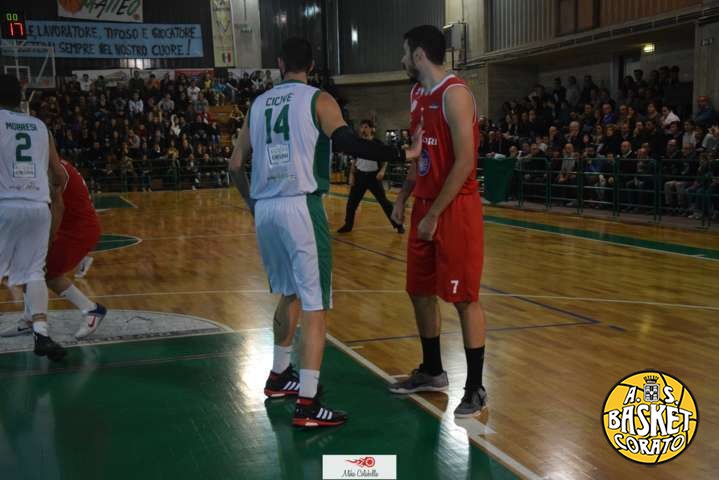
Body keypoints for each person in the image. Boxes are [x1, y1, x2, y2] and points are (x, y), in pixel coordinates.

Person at [229, 38, 420, 428]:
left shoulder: (258, 104)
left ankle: (279, 375)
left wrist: (252, 204)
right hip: (301, 205)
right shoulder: (318, 99)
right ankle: (308, 403)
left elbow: (234, 165)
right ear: (312, 66)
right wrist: (401, 153)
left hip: (266, 208)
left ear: (280, 63)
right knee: (315, 304)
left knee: (289, 293)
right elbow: (347, 142)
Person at [388, 25, 488, 417]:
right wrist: (403, 197)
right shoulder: (417, 94)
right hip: (426, 206)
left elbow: (465, 162)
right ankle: (432, 371)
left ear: (419, 55)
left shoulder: (455, 94)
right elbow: (420, 156)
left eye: (404, 53)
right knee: (418, 290)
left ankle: (476, 388)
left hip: (455, 208)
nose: (401, 60)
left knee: (464, 299)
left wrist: (433, 214)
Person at [0, 74, 68, 360]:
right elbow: (60, 174)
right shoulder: (39, 126)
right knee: (34, 272)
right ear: (20, 97)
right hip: (39, 207)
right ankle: (41, 333)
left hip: (5, 204)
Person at [1, 159, 107, 339]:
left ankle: (91, 309)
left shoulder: (51, 169)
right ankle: (29, 320)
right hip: (67, 226)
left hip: (77, 230)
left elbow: (58, 207)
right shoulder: (44, 163)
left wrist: (47, 241)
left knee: (45, 273)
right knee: (28, 267)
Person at [337, 119, 404, 233]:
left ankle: (398, 225)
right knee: (352, 203)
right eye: (362, 127)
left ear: (372, 129)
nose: (363, 129)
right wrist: (351, 175)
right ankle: (348, 225)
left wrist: (382, 171)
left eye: (366, 127)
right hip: (360, 176)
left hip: (373, 177)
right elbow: (354, 160)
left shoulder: (377, 143)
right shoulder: (358, 143)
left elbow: (386, 157)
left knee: (384, 202)